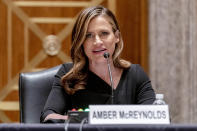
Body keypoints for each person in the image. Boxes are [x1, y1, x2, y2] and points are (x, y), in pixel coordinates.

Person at [40, 5, 155, 123]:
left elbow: (155, 117)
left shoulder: (135, 75)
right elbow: (49, 116)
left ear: (117, 37)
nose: (97, 41)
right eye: (88, 35)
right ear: (81, 42)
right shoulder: (69, 74)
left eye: (104, 33)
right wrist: (88, 119)